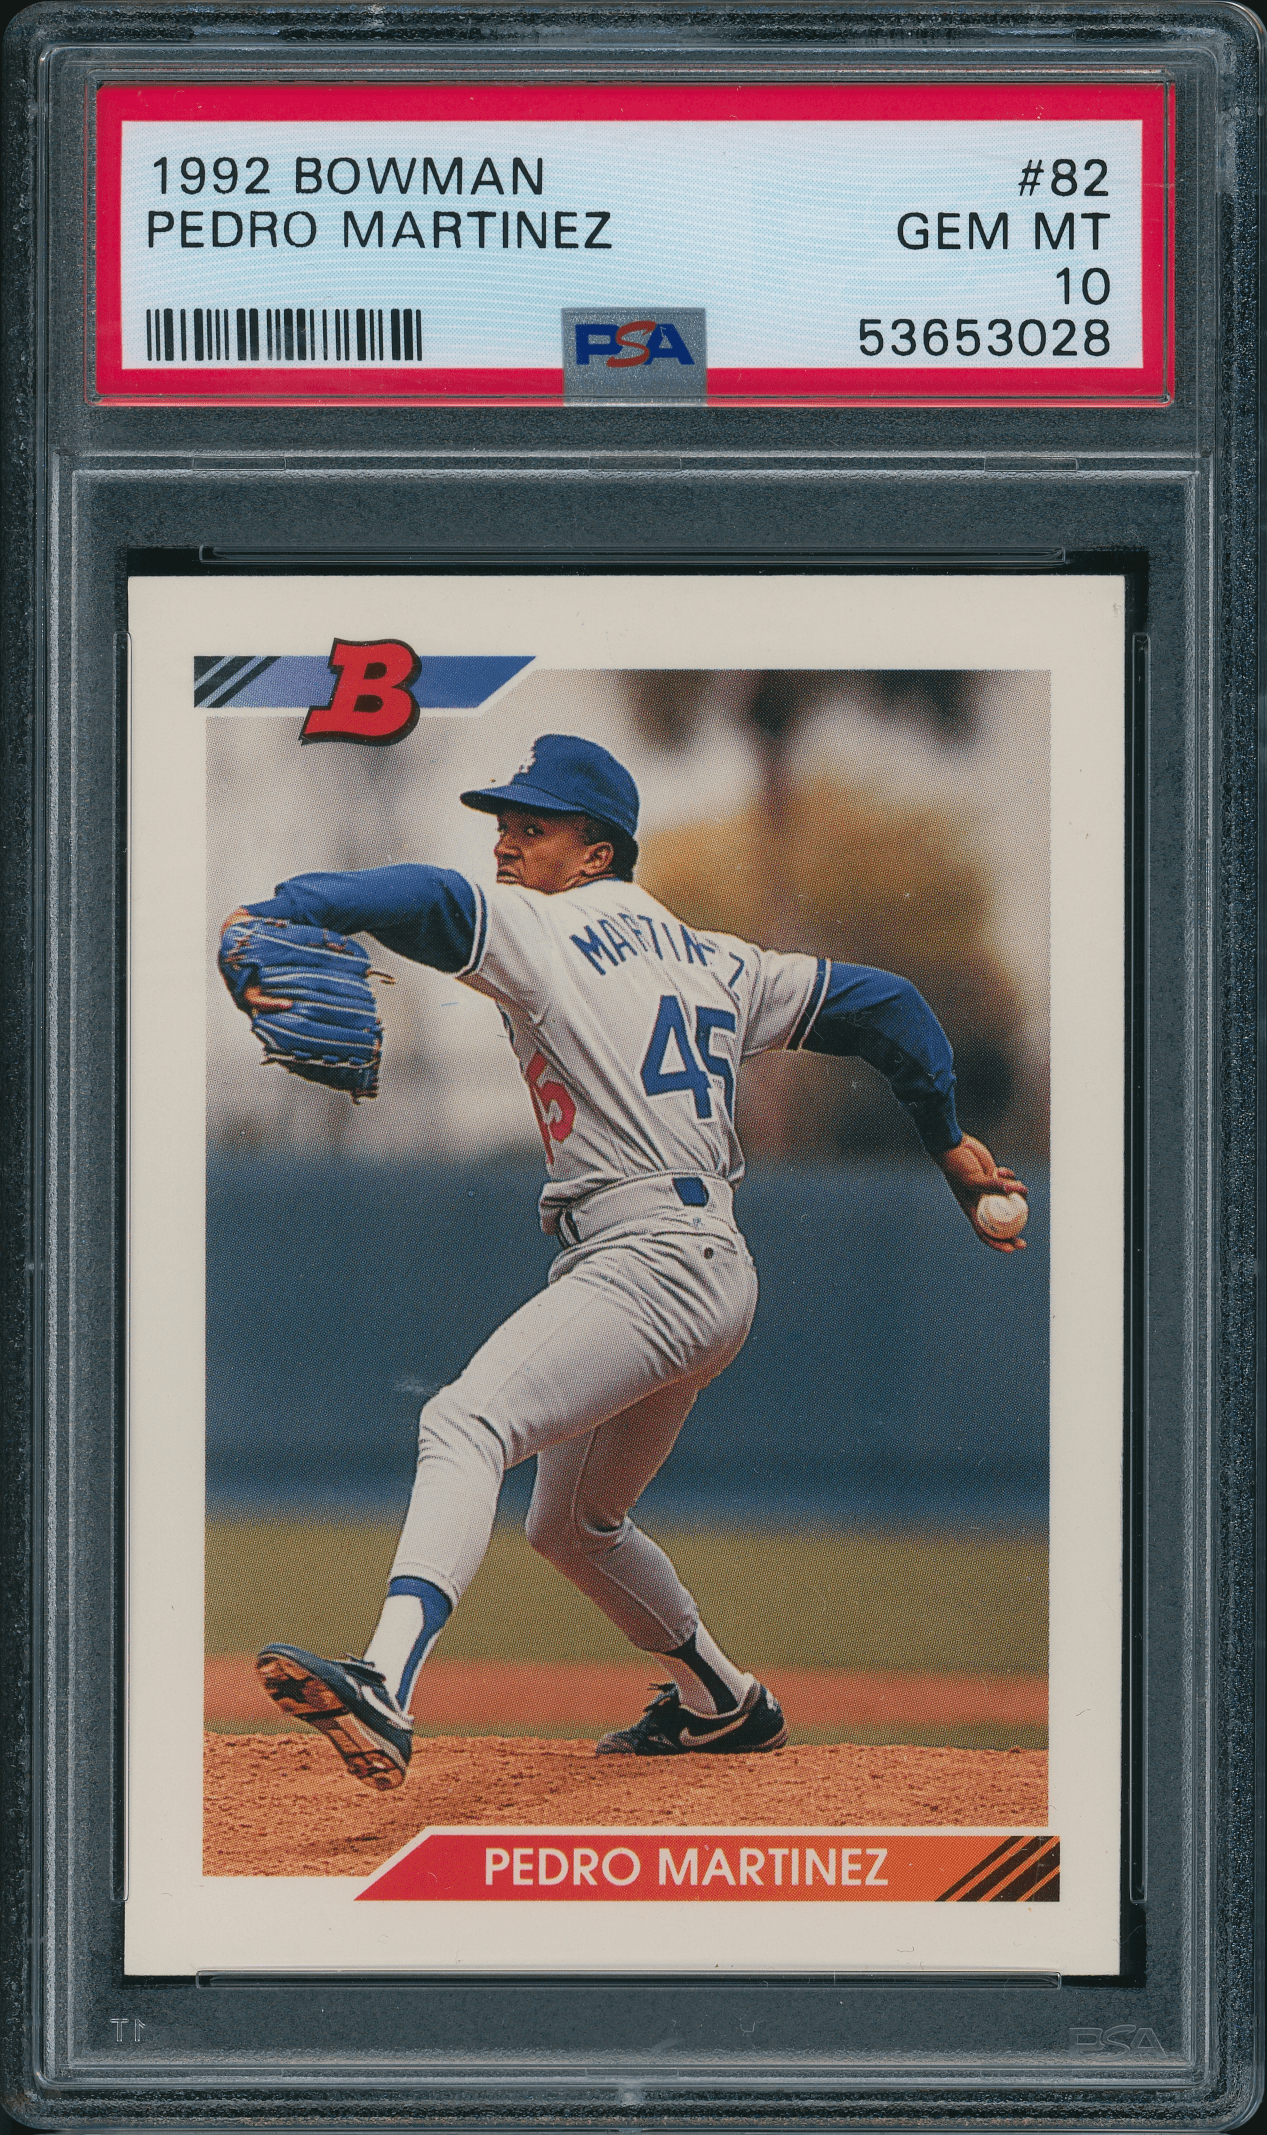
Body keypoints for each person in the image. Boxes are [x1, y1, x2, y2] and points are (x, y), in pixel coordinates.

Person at [221, 733, 1026, 1791]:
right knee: (573, 1525)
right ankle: (723, 1701)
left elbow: (427, 896)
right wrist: (949, 1143)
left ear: (596, 853)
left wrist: (290, 905)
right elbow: (890, 1006)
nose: (505, 846)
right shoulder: (720, 960)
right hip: (710, 1267)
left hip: (645, 1262)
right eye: (502, 825)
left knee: (462, 1422)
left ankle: (384, 1680)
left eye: (532, 827)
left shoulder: (549, 927)